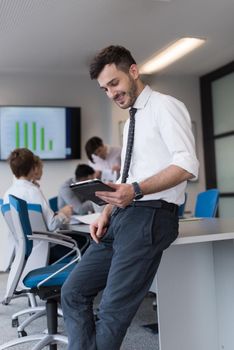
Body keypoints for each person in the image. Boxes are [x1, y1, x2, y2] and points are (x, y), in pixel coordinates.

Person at [61, 45, 199, 350]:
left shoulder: (166, 106)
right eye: (104, 89)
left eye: (114, 83)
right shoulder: (132, 120)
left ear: (133, 71)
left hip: (151, 215)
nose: (111, 93)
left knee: (111, 312)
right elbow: (126, 175)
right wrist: (106, 213)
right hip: (122, 217)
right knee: (73, 292)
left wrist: (135, 190)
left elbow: (187, 164)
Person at [3, 148, 72, 231]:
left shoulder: (7, 194)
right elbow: (52, 225)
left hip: (19, 244)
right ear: (33, 167)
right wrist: (64, 214)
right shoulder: (33, 191)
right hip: (42, 242)